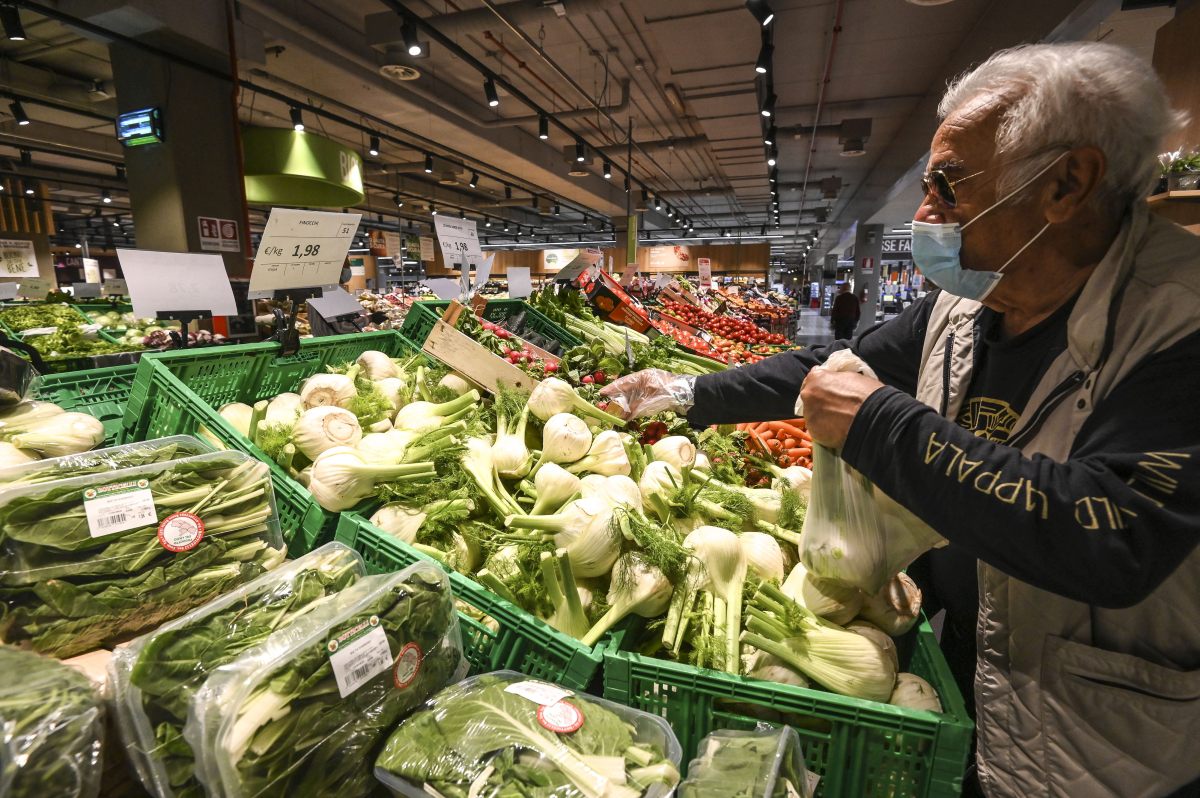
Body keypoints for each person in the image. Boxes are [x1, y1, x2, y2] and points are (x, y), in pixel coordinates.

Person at [600, 42, 1200, 798]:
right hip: (953, 680)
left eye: (949, 185)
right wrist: (685, 394)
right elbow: (824, 370)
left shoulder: (1180, 324)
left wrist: (881, 426)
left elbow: (1112, 531)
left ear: (1067, 184)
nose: (924, 215)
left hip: (1094, 748)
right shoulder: (968, 298)